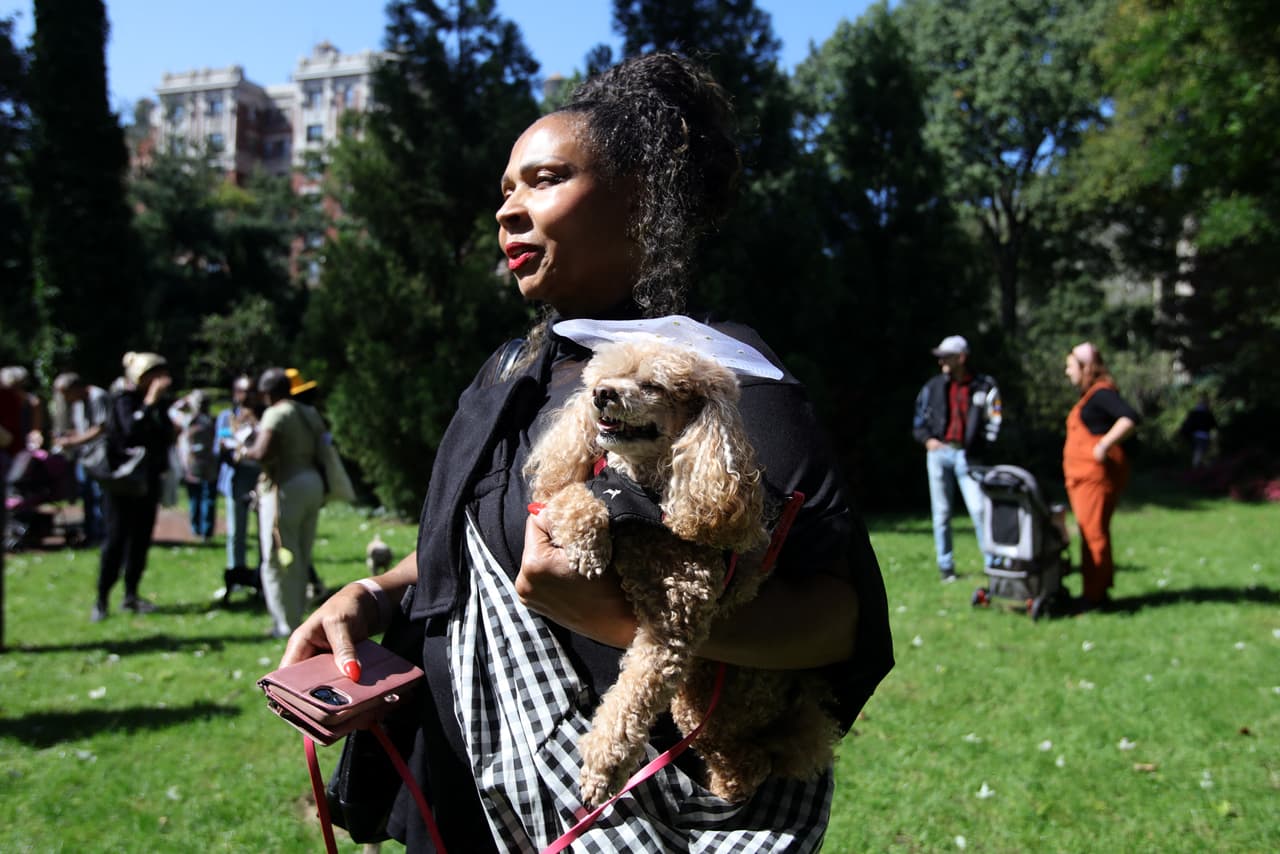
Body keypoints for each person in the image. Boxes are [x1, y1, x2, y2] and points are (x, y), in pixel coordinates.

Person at [280, 53, 893, 851]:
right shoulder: (511, 372)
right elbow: (473, 537)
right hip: (465, 792)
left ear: (641, 199)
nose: (509, 210)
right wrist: (375, 591)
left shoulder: (717, 378)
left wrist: (624, 620)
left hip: (621, 806)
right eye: (506, 190)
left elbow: (840, 621)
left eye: (545, 181)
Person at [241, 367, 325, 638]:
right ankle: (297, 617)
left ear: (266, 392)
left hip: (285, 487)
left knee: (276, 558)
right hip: (312, 483)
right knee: (300, 554)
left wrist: (242, 451)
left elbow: (262, 451)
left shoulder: (276, 413)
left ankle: (284, 624)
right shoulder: (308, 411)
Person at [92, 352, 176, 622]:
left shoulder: (161, 405)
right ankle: (101, 599)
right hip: (122, 483)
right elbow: (130, 431)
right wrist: (149, 402)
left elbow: (164, 438)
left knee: (140, 541)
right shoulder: (124, 400)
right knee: (115, 540)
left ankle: (130, 595)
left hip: (148, 482)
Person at [911, 335, 1003, 582]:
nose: (941, 362)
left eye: (946, 357)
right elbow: (919, 418)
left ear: (961, 358)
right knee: (941, 514)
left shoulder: (984, 386)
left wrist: (981, 447)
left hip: (969, 457)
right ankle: (946, 567)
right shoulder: (933, 387)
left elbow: (995, 419)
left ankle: (993, 565)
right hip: (939, 454)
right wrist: (928, 441)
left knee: (979, 510)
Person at [1063, 342, 1140, 610]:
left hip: (1094, 480)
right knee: (1092, 534)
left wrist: (1104, 445)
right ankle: (1097, 592)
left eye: (1070, 366)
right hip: (1082, 480)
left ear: (1086, 368)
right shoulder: (1090, 397)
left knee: (1093, 535)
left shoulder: (1101, 394)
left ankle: (1094, 598)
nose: (1067, 371)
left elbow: (1129, 417)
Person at [215, 375, 262, 600]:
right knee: (236, 530)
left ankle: (262, 577)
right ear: (235, 394)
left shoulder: (264, 416)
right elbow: (217, 448)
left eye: (252, 391)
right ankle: (237, 573)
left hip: (261, 477)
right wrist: (228, 449)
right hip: (237, 477)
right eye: (244, 392)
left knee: (265, 530)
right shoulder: (227, 417)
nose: (248, 396)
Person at [51, 372, 111, 545]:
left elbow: (101, 428)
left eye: (66, 393)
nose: (65, 398)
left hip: (100, 455)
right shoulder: (78, 402)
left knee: (98, 495)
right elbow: (84, 429)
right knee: (86, 494)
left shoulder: (97, 396)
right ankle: (91, 533)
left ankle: (102, 534)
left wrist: (72, 441)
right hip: (85, 455)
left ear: (75, 388)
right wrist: (67, 437)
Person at [168, 390, 218, 541]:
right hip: (209, 463)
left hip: (192, 464)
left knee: (195, 497)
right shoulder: (212, 421)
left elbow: (171, 411)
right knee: (208, 497)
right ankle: (206, 532)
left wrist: (183, 401)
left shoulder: (187, 420)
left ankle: (196, 529)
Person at [1179, 394, 1217, 469]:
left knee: (1199, 452)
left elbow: (1187, 425)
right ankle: (1197, 468)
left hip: (1195, 436)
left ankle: (1199, 468)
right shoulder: (1207, 413)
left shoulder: (1194, 413)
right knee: (1201, 453)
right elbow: (1214, 425)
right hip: (1203, 436)